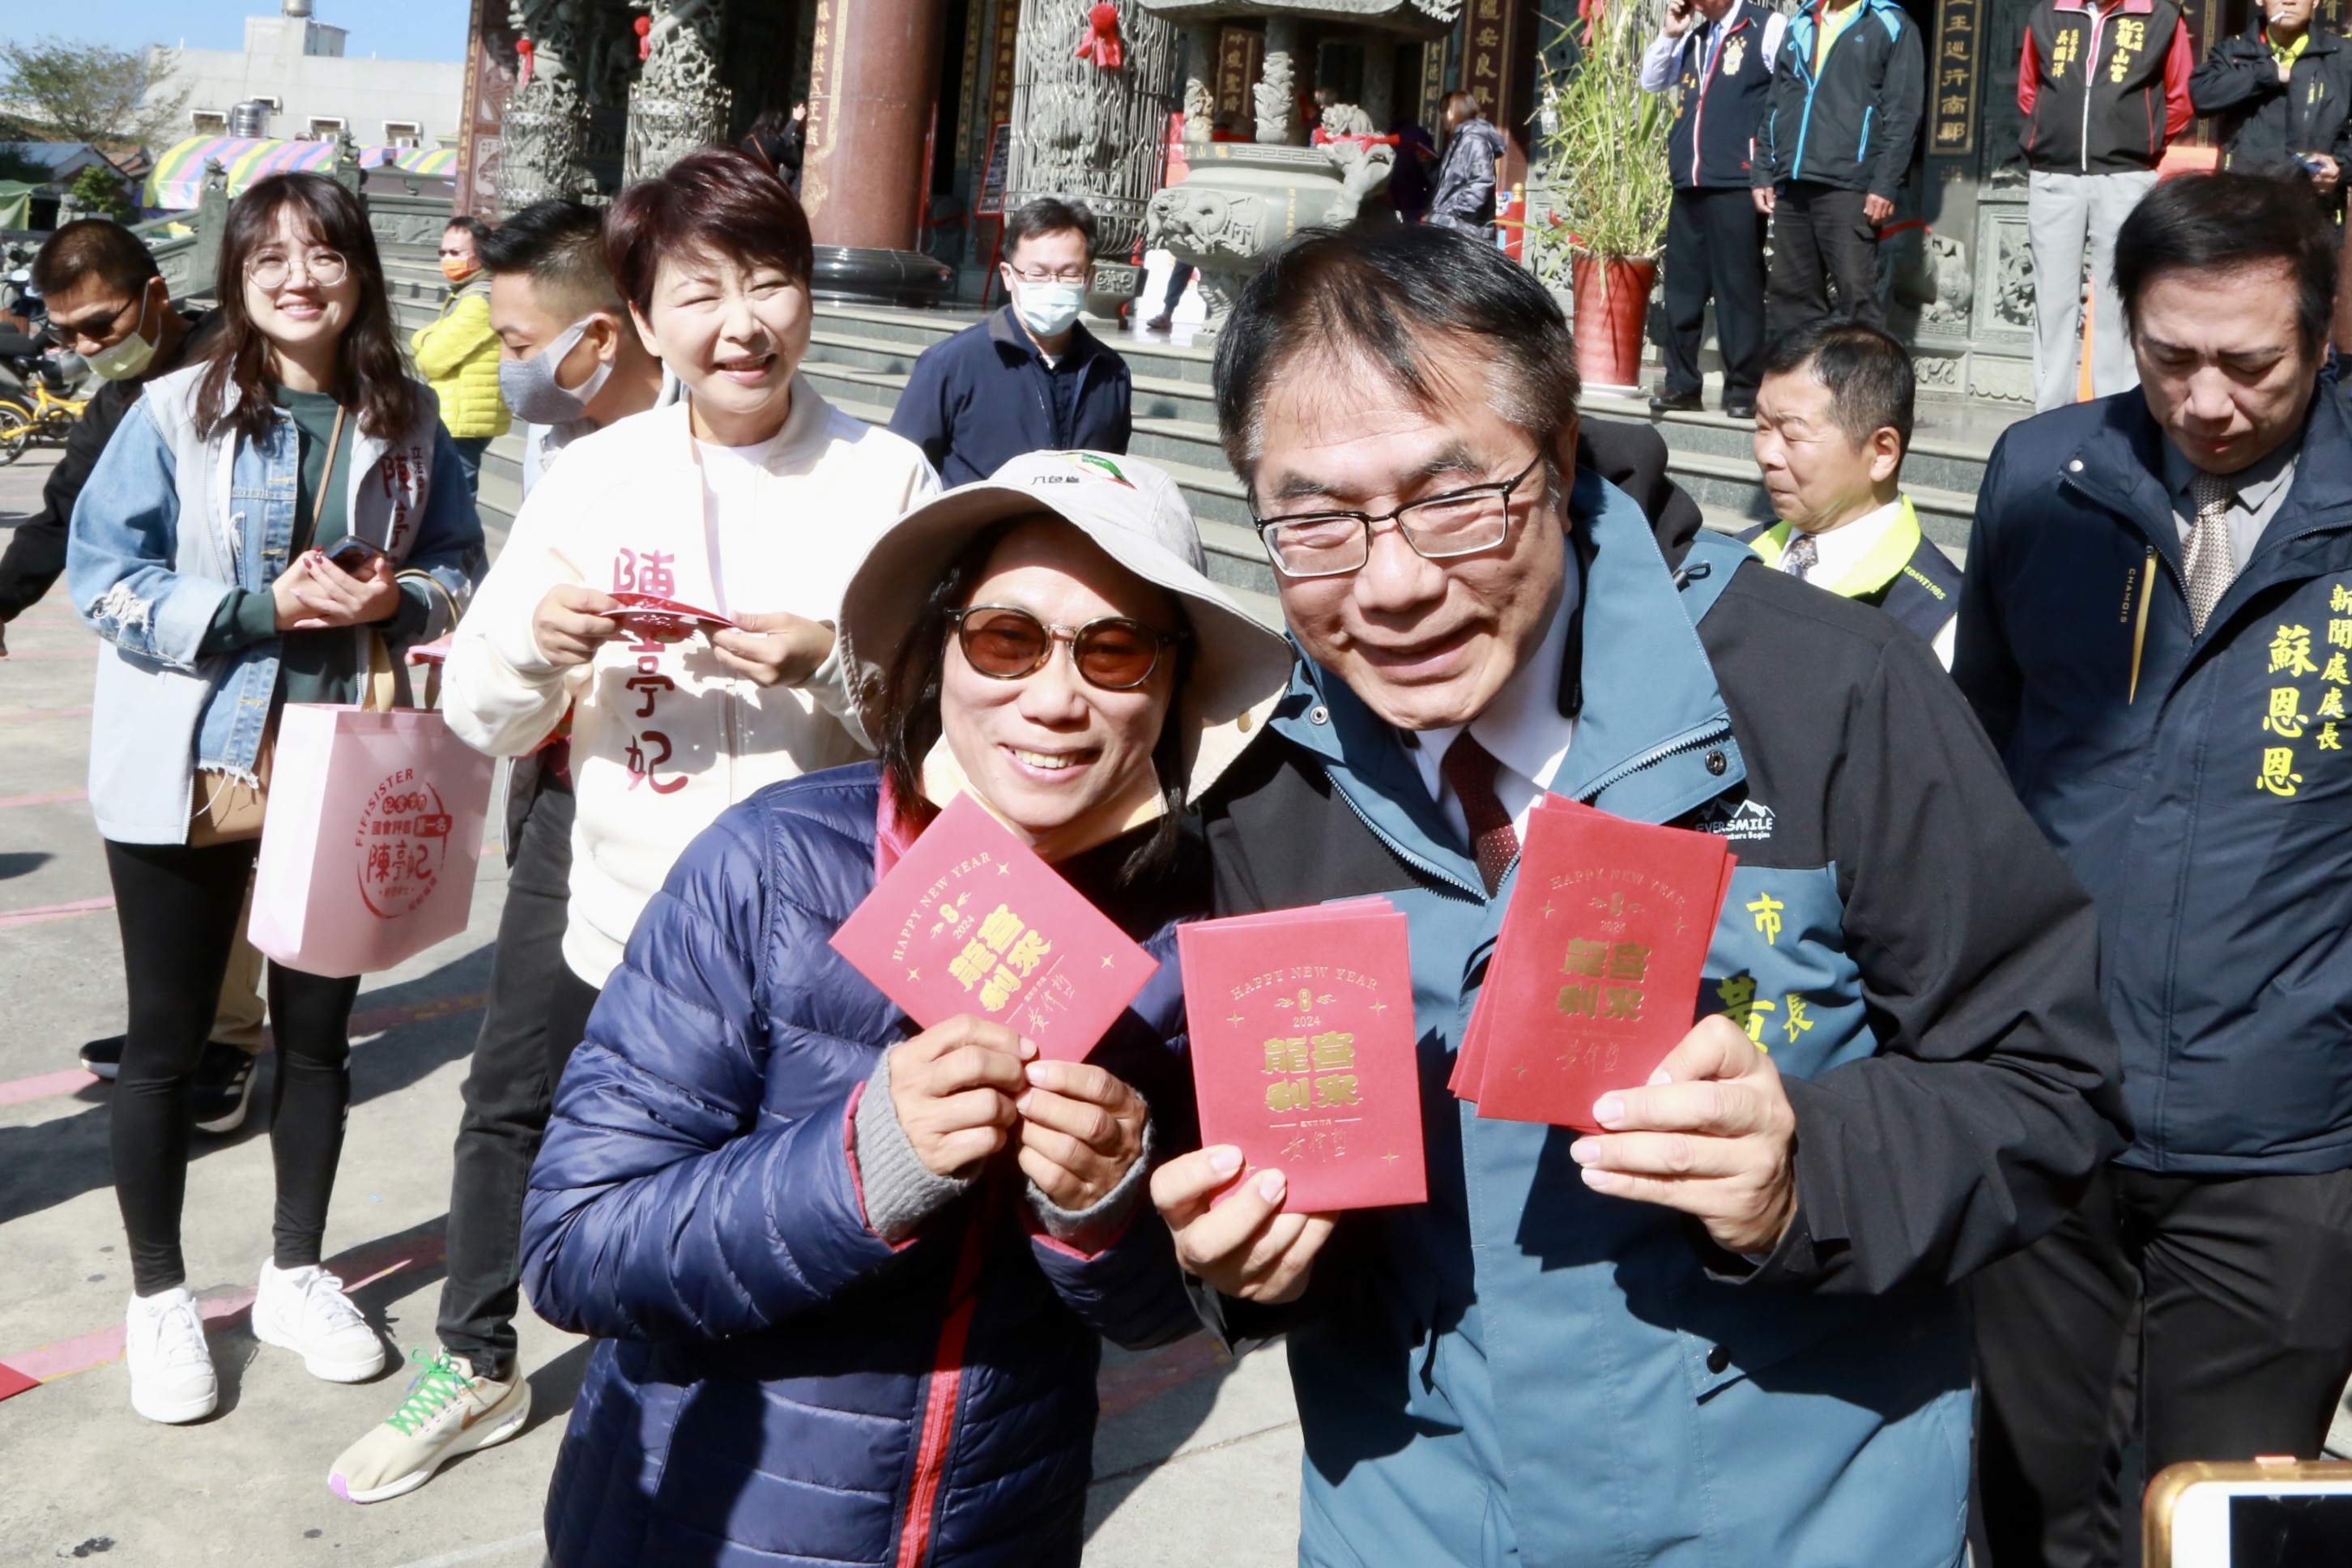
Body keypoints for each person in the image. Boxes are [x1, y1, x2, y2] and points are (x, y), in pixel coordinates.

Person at [1152, 222, 2126, 1566]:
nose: (1388, 584)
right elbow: (1218, 1152)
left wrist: (1802, 1170)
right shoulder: (1258, 776)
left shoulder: (1823, 692)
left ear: (1554, 464)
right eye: (1311, 519)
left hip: (1797, 1526)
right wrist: (1239, 1261)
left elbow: (2045, 1077)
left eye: (1451, 501)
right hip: (1421, 1524)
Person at [517, 449, 1291, 1566]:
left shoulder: (1194, 927)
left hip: (1001, 1526)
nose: (1055, 699)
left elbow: (1168, 1312)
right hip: (696, 1523)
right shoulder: (772, 866)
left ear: (1173, 688)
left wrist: (1106, 1215)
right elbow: (573, 1244)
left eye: (1116, 651)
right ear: (939, 652)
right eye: (1007, 639)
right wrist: (858, 1166)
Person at [433, 138, 937, 1386]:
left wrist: (833, 663)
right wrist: (537, 646)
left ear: (810, 294)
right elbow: (476, 712)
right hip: (626, 937)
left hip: (823, 957)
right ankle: (496, 1372)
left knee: (783, 1229)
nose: (741, 323)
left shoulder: (889, 478)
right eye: (699, 293)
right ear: (647, 320)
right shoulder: (595, 477)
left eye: (768, 281)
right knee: (608, 1206)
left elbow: (949, 733)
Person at [1958, 173, 2352, 1567]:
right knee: (2025, 1506)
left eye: (2247, 364)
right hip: (2051, 1104)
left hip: (2284, 1140)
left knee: (2210, 1525)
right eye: (2165, 356)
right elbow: (1983, 763)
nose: (2202, 399)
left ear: (2321, 331)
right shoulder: (2040, 476)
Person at [66, 171, 484, 1426]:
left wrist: (395, 602)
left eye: (323, 253)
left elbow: (463, 568)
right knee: (166, 1044)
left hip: (345, 759)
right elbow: (103, 577)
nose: (299, 276)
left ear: (358, 268)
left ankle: (297, 1274)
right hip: (196, 760)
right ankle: (160, 1302)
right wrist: (258, 609)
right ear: (237, 277)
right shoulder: (169, 410)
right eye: (271, 258)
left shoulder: (407, 420)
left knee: (314, 1038)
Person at [326, 195, 669, 1503]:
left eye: (519, 332)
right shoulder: (566, 452)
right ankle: (474, 1356)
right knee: (510, 1085)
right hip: (568, 800)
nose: (505, 355)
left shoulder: (768, 465)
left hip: (716, 821)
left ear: (601, 329)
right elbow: (493, 659)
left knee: (687, 1105)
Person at [0, 218, 267, 1129]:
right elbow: (63, 517)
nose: (84, 349)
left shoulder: (240, 367)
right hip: (159, 657)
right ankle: (177, 1026)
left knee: (232, 848)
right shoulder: (119, 398)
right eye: (67, 333)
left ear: (156, 293)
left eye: (101, 325)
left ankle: (226, 1046)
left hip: (256, 650)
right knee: (165, 843)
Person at [1742, 319, 1963, 663]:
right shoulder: (1733, 559)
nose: (1767, 455)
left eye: (1792, 434)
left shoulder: (1936, 618)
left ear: (1882, 452)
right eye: (1762, 427)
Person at [2018, 0, 2194, 411]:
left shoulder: (2159, 17)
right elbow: (2030, 90)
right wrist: (2051, 137)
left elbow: (2180, 98)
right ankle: (2050, 415)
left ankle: (2113, 411)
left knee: (2119, 298)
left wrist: (2139, 141)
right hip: (2055, 175)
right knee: (2052, 299)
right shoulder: (2049, 13)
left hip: (2125, 177)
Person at [888, 197, 1132, 487]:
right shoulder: (952, 364)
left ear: (1089, 278)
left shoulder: (1110, 373)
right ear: (1008, 276)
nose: (1052, 284)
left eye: (1069, 274)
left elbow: (1110, 476)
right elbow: (900, 474)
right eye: (1037, 273)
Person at [1642, 0, 1788, 418]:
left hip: (1737, 179)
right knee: (1682, 291)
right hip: (1689, 181)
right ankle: (1681, 384)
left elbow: (1787, 93)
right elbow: (1652, 82)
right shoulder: (1694, 37)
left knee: (1737, 288)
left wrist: (1768, 166)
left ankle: (1743, 389)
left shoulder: (1766, 26)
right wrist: (1670, 33)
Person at [1755, 0, 1924, 334]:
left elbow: (1903, 113)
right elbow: (1776, 104)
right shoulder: (1801, 22)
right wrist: (1764, 168)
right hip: (1794, 182)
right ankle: (1801, 384)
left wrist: (1885, 183)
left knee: (1858, 298)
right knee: (1790, 301)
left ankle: (1863, 385)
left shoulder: (1890, 23)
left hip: (1851, 185)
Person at [2192, 0, 2352, 202]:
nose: (2289, 2)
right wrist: (2270, 74)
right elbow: (2203, 97)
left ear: (2316, 1)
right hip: (2242, 196)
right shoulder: (2235, 51)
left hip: (2313, 202)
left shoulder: (2342, 56)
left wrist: (2340, 167)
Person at [409, 215, 509, 496]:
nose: (446, 259)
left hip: (465, 416)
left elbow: (431, 360)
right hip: (459, 412)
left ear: (481, 255)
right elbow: (426, 341)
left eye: (456, 253)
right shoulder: (466, 294)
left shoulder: (480, 300)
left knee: (456, 498)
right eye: (443, 252)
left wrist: (424, 340)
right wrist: (425, 339)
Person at [1427, 90, 1509, 239]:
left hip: (1468, 230)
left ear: (1458, 110)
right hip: (1456, 227)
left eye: (1446, 111)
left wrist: (1450, 215)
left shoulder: (1474, 140)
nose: (1442, 117)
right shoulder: (1460, 140)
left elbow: (1481, 183)